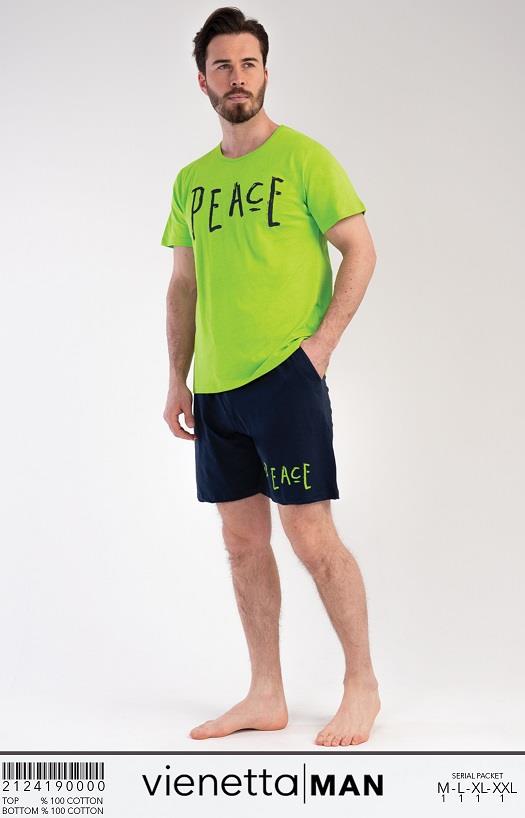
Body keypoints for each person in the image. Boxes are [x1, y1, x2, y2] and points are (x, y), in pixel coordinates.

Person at [161, 6, 380, 747]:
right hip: (216, 390)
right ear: (203, 81)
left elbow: (360, 249)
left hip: (285, 378)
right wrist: (177, 379)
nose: (237, 77)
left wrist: (320, 347)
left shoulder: (304, 159)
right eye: (222, 65)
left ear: (264, 72)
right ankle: (265, 693)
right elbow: (183, 285)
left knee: (311, 536)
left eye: (248, 63)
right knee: (242, 542)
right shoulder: (190, 181)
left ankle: (361, 685)